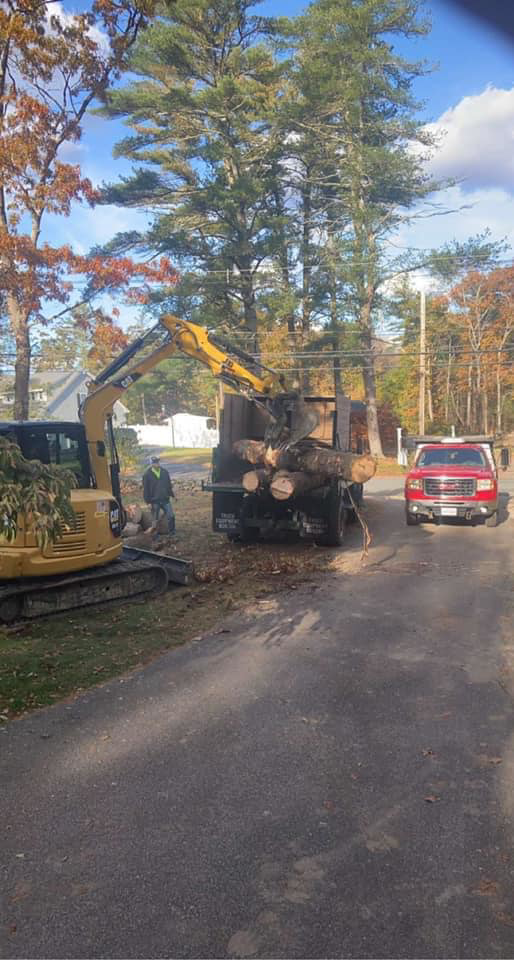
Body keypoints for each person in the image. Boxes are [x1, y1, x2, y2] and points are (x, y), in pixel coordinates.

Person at [143, 456, 176, 534]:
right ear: (151, 464)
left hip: (165, 499)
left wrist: (173, 495)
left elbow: (168, 485)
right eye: (154, 462)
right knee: (155, 519)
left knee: (171, 516)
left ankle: (172, 532)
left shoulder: (165, 472)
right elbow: (146, 490)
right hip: (154, 501)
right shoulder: (147, 474)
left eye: (157, 462)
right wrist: (147, 502)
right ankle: (155, 534)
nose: (156, 464)